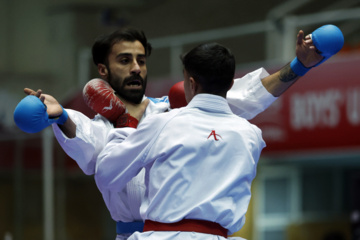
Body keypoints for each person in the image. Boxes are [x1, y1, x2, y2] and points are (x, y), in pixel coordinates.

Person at [14, 24, 343, 239]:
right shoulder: (100, 127)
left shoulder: (173, 112)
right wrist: (58, 117)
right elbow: (93, 154)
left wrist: (298, 66)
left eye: (141, 60)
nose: (135, 68)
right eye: (124, 60)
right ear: (103, 70)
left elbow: (246, 95)